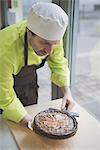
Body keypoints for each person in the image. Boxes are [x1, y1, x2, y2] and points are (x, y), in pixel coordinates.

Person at [0, 2, 75, 127]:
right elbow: (5, 98)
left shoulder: (52, 38)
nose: (49, 51)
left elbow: (58, 63)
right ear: (29, 32)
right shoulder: (5, 49)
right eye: (44, 43)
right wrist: (33, 125)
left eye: (54, 43)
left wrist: (67, 93)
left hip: (27, 85)